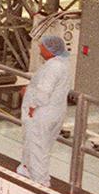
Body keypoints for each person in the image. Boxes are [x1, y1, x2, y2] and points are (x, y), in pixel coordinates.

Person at [18, 35, 72, 185]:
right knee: (39, 146)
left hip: (42, 113)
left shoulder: (53, 67)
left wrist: (32, 106)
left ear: (50, 50)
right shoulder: (63, 64)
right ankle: (26, 169)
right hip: (55, 112)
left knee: (38, 149)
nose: (40, 49)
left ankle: (41, 183)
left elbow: (43, 92)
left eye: (42, 47)